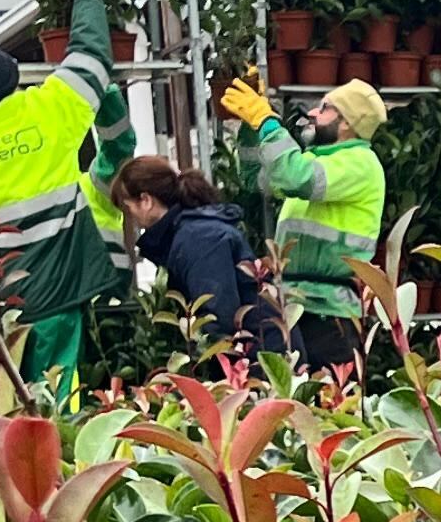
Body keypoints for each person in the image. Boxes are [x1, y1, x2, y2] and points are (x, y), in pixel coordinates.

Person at [0, 0, 132, 395]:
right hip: (59, 296)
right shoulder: (50, 109)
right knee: (57, 396)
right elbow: (91, 55)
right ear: (12, 81)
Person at [222, 76, 387, 378]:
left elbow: (296, 177)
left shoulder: (360, 163)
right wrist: (250, 129)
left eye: (325, 108)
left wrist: (267, 121)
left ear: (347, 123)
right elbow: (257, 179)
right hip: (297, 309)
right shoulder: (316, 161)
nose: (312, 113)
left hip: (328, 317)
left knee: (328, 410)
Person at [115, 152, 281, 360]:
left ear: (146, 200)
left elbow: (217, 318)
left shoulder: (197, 239)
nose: (132, 219)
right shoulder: (193, 232)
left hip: (263, 360)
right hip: (263, 353)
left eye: (128, 209)